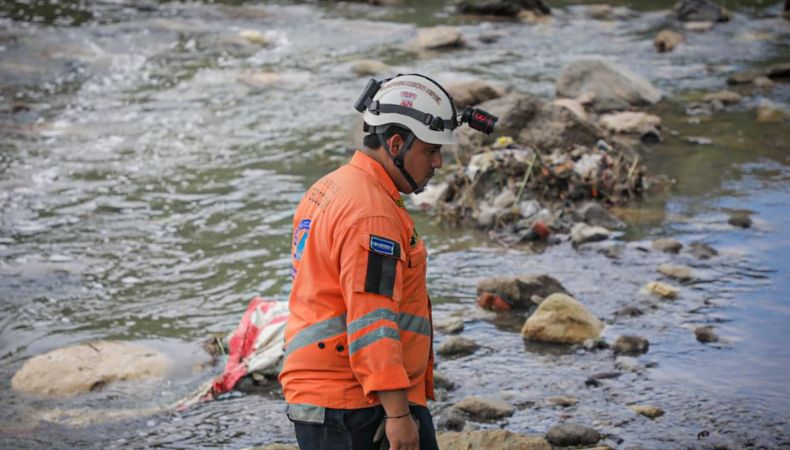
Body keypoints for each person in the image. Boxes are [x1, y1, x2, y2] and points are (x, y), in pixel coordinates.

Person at [279, 73, 495, 450]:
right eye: (430, 151)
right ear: (396, 143)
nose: (438, 163)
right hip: (358, 405)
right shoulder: (372, 215)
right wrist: (398, 415)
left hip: (323, 395)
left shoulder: (330, 186)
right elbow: (371, 319)